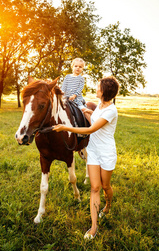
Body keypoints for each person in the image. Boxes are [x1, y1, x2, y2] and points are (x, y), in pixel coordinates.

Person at [53, 76, 119, 239]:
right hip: (94, 151)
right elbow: (94, 119)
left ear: (103, 91)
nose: (96, 88)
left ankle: (108, 205)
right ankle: (94, 228)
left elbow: (91, 129)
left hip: (107, 152)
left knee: (105, 186)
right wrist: (85, 111)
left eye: (98, 87)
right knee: (95, 188)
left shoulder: (111, 110)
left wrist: (65, 127)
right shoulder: (100, 107)